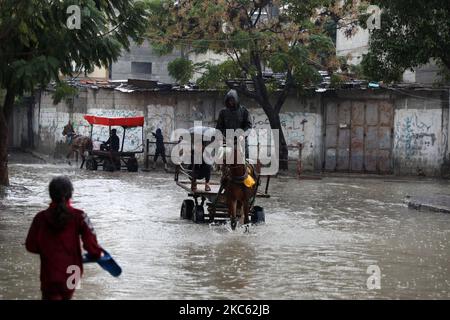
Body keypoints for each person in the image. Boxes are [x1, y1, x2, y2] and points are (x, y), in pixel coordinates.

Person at [26, 176, 103, 300]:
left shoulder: (40, 218)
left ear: (50, 194)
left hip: (49, 273)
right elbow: (91, 245)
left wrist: (47, 250)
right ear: (70, 194)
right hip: (73, 272)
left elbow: (31, 246)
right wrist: (97, 254)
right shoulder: (80, 216)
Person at [216, 89, 252, 158]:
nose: (230, 102)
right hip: (227, 142)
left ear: (236, 100)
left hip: (240, 142)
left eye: (232, 100)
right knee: (220, 161)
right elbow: (219, 128)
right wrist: (220, 138)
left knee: (246, 164)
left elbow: (248, 126)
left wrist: (243, 135)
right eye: (229, 100)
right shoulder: (223, 112)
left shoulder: (244, 111)